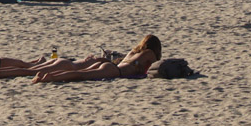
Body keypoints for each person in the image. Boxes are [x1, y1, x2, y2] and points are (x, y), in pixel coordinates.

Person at [31, 35, 161, 84]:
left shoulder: (133, 52)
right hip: (115, 71)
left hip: (110, 65)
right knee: (80, 75)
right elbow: (158, 65)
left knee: (80, 73)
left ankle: (49, 75)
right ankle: (51, 77)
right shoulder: (149, 53)